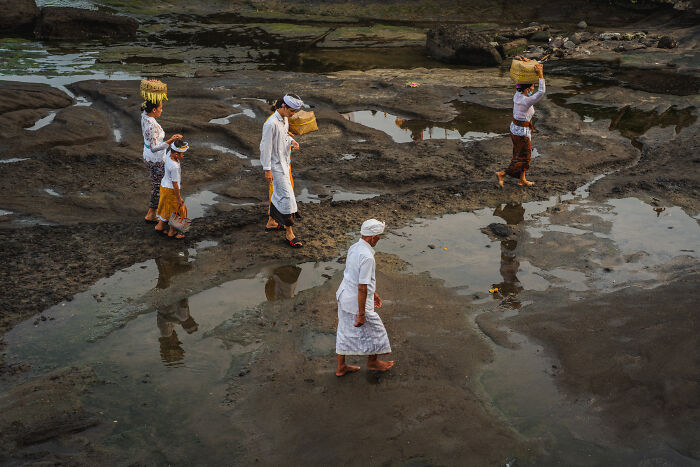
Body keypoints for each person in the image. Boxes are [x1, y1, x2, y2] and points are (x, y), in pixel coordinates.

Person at [335, 219, 394, 377]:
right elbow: (361, 286)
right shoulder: (368, 257)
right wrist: (361, 314)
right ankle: (373, 362)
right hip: (356, 299)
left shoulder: (354, 247)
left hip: (344, 294)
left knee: (344, 330)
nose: (379, 239)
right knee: (376, 331)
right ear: (373, 237)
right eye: (379, 236)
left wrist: (372, 292)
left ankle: (341, 367)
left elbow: (354, 275)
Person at [260, 93, 303, 248]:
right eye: (292, 111)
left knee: (278, 194)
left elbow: (285, 136)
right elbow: (265, 148)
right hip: (276, 167)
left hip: (285, 163)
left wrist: (292, 141)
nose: (293, 115)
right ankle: (289, 233)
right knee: (287, 199)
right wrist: (267, 170)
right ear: (283, 107)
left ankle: (271, 222)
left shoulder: (284, 120)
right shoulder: (270, 124)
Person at [496, 61, 545, 188]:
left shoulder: (517, 94)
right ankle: (503, 173)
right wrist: (540, 74)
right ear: (527, 89)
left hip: (516, 129)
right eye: (532, 86)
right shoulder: (526, 100)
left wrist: (526, 64)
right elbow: (541, 92)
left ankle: (522, 179)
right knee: (524, 158)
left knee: (518, 154)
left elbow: (520, 82)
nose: (533, 89)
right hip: (521, 132)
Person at [140, 79, 182, 222]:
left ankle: (155, 213)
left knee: (157, 184)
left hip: (148, 156)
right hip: (155, 158)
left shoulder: (144, 116)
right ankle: (152, 214)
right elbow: (154, 148)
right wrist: (169, 142)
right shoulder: (151, 125)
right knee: (159, 187)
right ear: (154, 110)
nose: (162, 110)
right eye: (160, 107)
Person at [155, 140, 189, 239]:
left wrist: (176, 139)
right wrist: (179, 199)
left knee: (165, 208)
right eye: (182, 154)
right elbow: (175, 184)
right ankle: (172, 232)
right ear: (176, 154)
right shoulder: (174, 167)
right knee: (176, 211)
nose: (183, 155)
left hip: (164, 187)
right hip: (171, 190)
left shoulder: (169, 154)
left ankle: (159, 226)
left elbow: (171, 147)